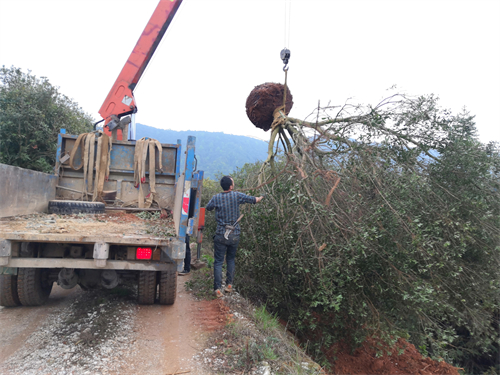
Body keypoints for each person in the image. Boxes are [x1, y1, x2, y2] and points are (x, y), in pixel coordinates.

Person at [205, 176, 263, 298]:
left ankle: (217, 289)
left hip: (221, 234)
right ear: (231, 186)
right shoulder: (237, 195)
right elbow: (254, 200)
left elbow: (208, 207)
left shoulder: (216, 197)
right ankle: (229, 285)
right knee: (230, 259)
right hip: (234, 234)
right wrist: (262, 197)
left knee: (218, 262)